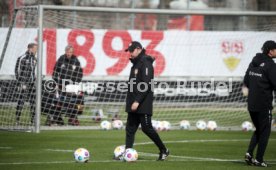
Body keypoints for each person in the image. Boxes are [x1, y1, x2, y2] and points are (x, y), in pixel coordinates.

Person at [123, 41, 169, 161]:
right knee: (130, 129)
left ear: (138, 49)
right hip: (133, 102)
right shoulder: (136, 63)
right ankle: (127, 153)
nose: (130, 53)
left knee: (147, 128)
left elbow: (146, 84)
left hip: (143, 103)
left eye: (132, 51)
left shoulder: (146, 63)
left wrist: (137, 101)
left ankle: (164, 150)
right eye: (129, 51)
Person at [243, 40, 276, 167]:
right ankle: (259, 159)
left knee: (259, 130)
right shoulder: (270, 65)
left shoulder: (253, 62)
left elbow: (246, 80)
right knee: (265, 131)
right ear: (270, 51)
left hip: (251, 103)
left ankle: (249, 154)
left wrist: (257, 85)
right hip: (264, 104)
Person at [52, 45, 83, 125]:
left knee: (78, 101)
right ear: (65, 52)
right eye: (68, 52)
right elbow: (55, 72)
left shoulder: (76, 60)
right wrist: (57, 82)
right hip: (61, 85)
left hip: (72, 86)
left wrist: (76, 82)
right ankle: (57, 118)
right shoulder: (61, 59)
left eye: (71, 52)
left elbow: (80, 73)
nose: (69, 53)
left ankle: (73, 117)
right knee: (58, 101)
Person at [15, 43, 38, 125]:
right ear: (30, 49)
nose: (36, 51)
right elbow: (17, 71)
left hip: (32, 83)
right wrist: (21, 82)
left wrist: (35, 79)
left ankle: (32, 120)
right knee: (21, 101)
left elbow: (34, 72)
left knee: (33, 102)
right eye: (35, 49)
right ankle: (17, 119)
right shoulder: (22, 58)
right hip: (24, 83)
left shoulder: (35, 59)